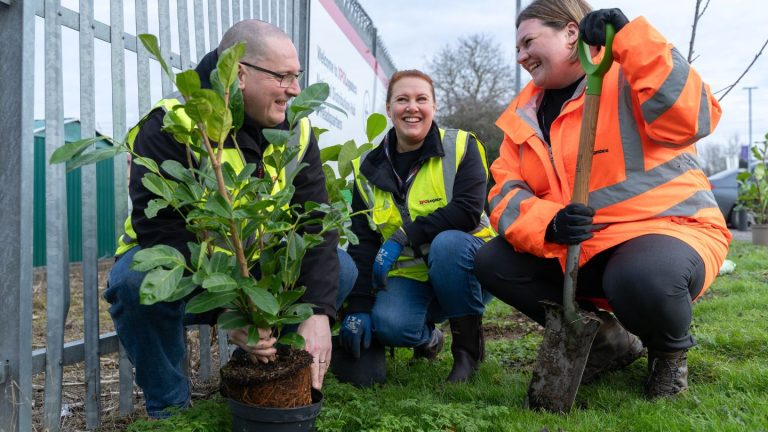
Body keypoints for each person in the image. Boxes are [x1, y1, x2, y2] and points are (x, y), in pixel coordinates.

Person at [474, 0, 731, 399]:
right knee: (492, 260)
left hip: (668, 228)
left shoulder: (628, 74)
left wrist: (633, 39)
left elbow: (694, 117)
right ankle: (607, 341)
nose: (522, 56)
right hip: (585, 243)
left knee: (638, 279)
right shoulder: (521, 117)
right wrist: (550, 223)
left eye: (529, 42)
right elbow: (504, 195)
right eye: (518, 49)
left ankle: (668, 354)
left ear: (571, 33)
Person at [104, 19, 357, 418]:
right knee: (133, 282)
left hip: (258, 266)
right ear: (239, 74)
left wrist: (317, 312)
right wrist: (225, 309)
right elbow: (162, 231)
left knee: (339, 268)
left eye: (297, 76)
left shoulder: (296, 130)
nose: (294, 89)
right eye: (283, 77)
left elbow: (313, 222)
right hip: (190, 272)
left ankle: (272, 377)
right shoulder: (174, 123)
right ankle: (171, 411)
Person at [337, 69, 495, 384]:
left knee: (447, 244)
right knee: (390, 325)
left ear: (433, 107)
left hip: (469, 266)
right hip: (411, 277)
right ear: (388, 108)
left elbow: (466, 211)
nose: (412, 107)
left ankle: (467, 352)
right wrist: (359, 305)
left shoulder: (461, 146)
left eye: (421, 99)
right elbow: (363, 242)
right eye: (402, 99)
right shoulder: (366, 169)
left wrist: (404, 235)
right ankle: (428, 338)